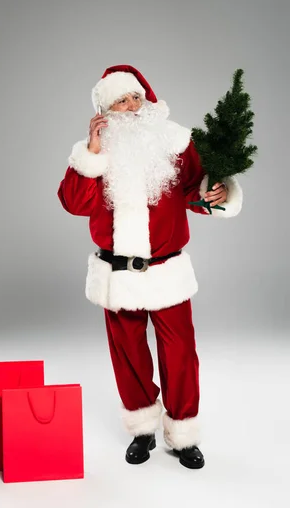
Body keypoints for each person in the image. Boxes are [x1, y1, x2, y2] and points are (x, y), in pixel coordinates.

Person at [57, 65, 243, 469]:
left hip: (166, 270)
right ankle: (142, 430)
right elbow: (74, 203)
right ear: (105, 111)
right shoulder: (95, 151)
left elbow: (197, 191)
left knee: (180, 354)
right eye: (120, 101)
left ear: (147, 100)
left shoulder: (176, 142)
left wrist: (217, 190)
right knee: (129, 355)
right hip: (118, 272)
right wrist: (90, 151)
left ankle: (183, 433)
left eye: (135, 98)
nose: (131, 106)